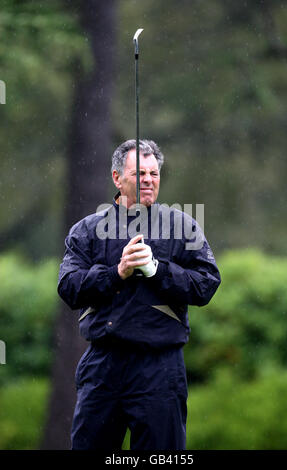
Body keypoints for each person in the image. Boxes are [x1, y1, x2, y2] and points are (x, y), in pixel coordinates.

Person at [58, 139, 221, 450]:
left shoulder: (182, 227)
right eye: (139, 174)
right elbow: (68, 287)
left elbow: (206, 285)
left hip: (160, 370)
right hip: (102, 367)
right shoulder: (87, 231)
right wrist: (115, 273)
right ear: (117, 178)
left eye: (154, 173)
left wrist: (158, 269)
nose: (148, 180)